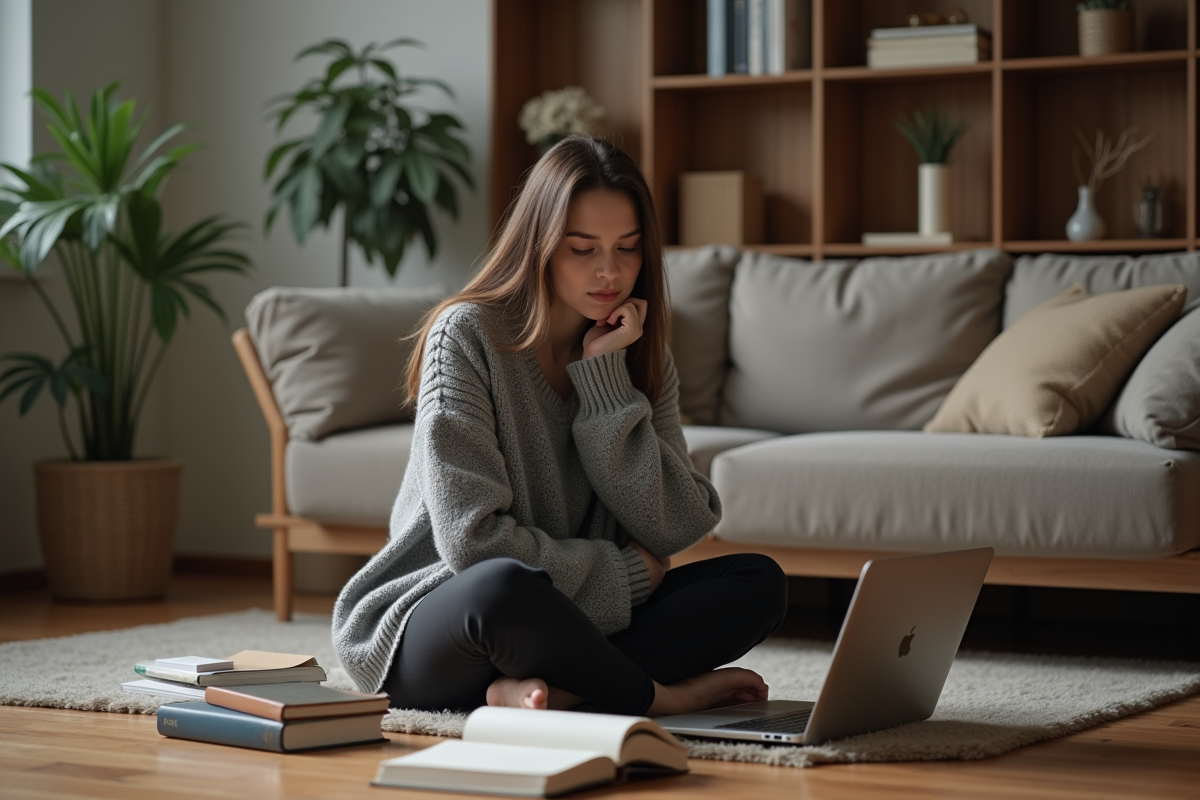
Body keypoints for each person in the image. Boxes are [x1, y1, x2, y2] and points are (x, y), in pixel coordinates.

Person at [332, 135, 788, 717]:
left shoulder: (642, 356)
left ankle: (555, 691)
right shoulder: (466, 334)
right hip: (445, 621)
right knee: (504, 586)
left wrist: (604, 383)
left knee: (757, 582)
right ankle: (654, 696)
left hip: (568, 621)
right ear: (540, 246)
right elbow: (474, 544)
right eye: (582, 249)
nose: (610, 271)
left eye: (628, 248)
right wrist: (626, 574)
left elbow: (677, 523)